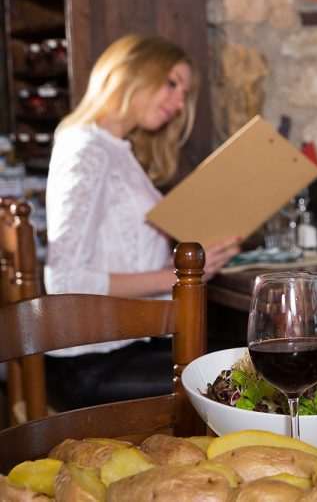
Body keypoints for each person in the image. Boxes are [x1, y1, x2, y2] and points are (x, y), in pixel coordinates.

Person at [44, 34, 241, 409]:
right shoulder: (86, 149)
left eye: (184, 93)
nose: (180, 103)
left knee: (248, 356)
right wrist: (179, 275)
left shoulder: (115, 149)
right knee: (247, 377)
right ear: (130, 72)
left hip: (129, 345)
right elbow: (64, 280)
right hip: (92, 364)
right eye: (172, 83)